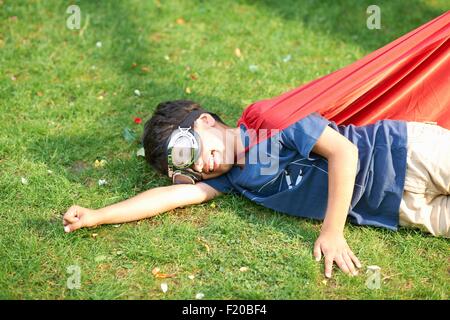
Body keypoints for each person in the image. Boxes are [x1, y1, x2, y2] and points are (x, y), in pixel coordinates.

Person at [62, 100, 450, 278]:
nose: (198, 167)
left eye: (188, 152)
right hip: (393, 208)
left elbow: (344, 153)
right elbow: (168, 197)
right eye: (185, 170)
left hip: (405, 153)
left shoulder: (270, 119)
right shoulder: (231, 179)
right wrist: (99, 215)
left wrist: (331, 232)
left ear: (206, 122)